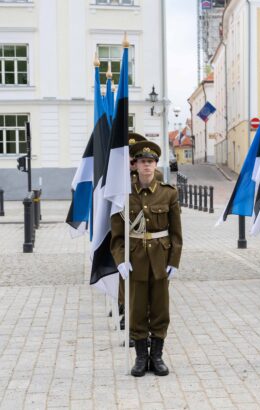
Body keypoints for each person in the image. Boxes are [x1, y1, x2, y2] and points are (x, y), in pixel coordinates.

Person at [111, 140, 182, 377]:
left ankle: (157, 356)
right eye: (143, 162)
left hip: (161, 260)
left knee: (161, 310)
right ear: (136, 165)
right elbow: (118, 236)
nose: (147, 166)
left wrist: (174, 261)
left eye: (151, 162)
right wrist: (120, 260)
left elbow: (176, 233)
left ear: (155, 165)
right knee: (137, 310)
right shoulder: (124, 195)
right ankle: (141, 358)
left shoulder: (168, 193)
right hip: (135, 261)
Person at [118, 133, 164, 333]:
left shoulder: (156, 176)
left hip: (148, 235)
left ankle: (142, 316)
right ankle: (124, 307)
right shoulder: (118, 177)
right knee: (124, 275)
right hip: (126, 231)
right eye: (132, 158)